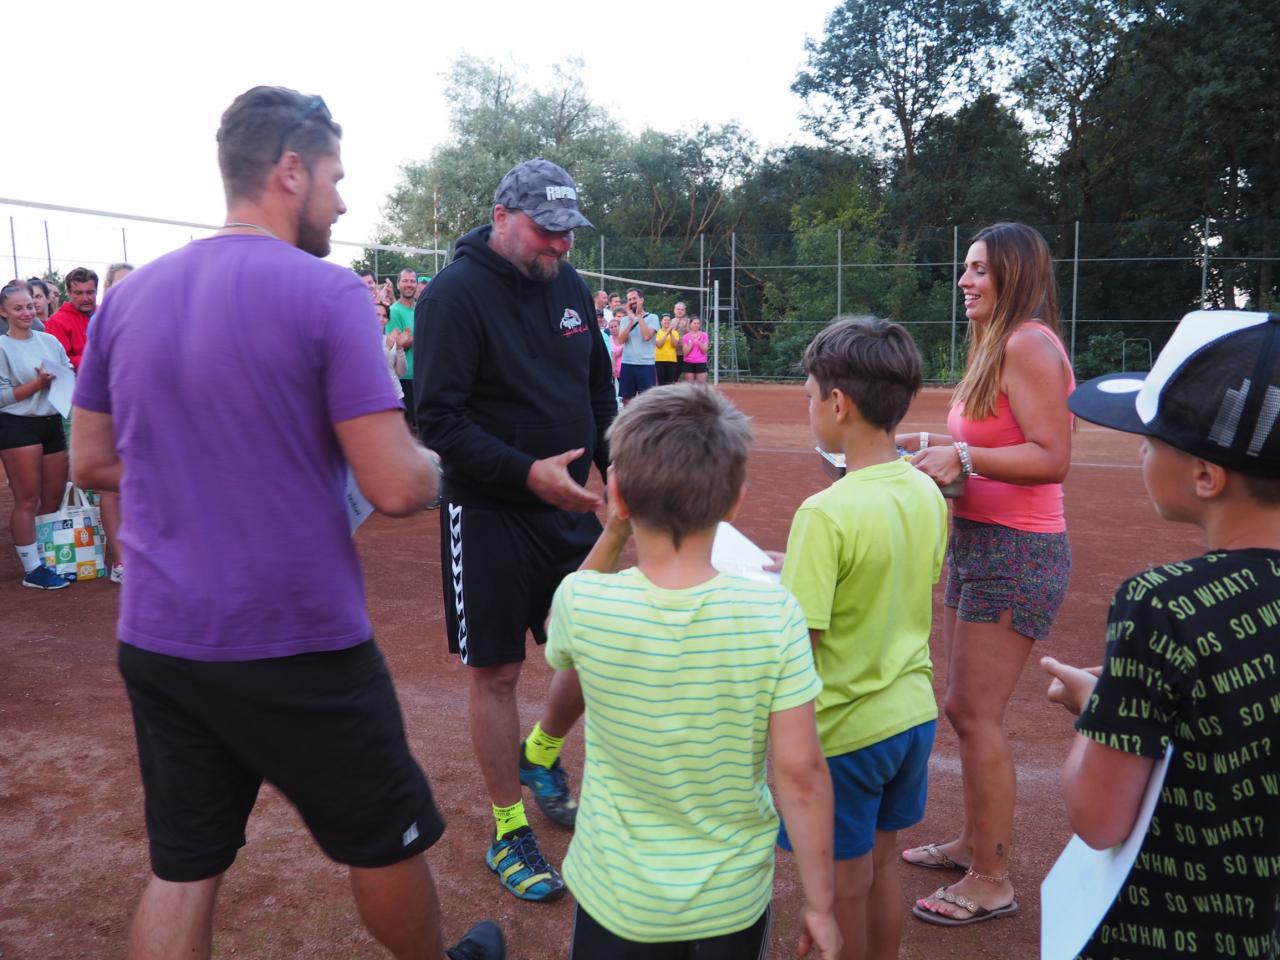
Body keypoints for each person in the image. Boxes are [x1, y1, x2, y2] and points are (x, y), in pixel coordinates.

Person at [69, 85, 502, 960]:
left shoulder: (130, 297)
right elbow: (394, 486)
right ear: (291, 171)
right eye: (336, 180)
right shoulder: (327, 293)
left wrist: (209, 468)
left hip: (160, 633)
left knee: (185, 867)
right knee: (385, 840)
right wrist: (432, 463)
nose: (341, 202)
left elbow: (91, 461)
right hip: (298, 637)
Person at [546, 382, 841, 960]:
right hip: (729, 901)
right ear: (735, 503)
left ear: (618, 494)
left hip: (617, 897)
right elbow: (801, 774)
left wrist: (615, 526)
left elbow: (562, 634)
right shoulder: (775, 614)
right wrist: (821, 905)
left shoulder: (582, 601)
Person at [1038, 309, 1280, 959]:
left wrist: (1102, 708)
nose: (1141, 452)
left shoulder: (1161, 605)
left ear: (1206, 475)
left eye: (1150, 440)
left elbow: (1099, 818)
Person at [415, 158, 616, 904]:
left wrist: (619, 462)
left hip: (569, 511)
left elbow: (597, 389)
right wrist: (527, 472)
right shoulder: (452, 297)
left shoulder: (570, 286)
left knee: (597, 647)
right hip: (489, 515)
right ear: (501, 217)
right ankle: (508, 829)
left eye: (569, 232)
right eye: (546, 230)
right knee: (497, 674)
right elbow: (438, 421)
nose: (560, 245)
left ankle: (543, 751)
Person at [900, 222, 1074, 924]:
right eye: (966, 268)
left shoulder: (1028, 344)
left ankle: (993, 877)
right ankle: (974, 842)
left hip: (1018, 552)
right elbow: (986, 441)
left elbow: (1052, 456)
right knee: (962, 708)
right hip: (978, 543)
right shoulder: (996, 345)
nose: (965, 280)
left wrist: (964, 458)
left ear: (1013, 275)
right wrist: (924, 446)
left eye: (979, 269)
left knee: (976, 713)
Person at [772, 317, 949, 958]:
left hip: (845, 733)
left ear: (838, 404)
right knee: (881, 867)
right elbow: (894, 579)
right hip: (910, 718)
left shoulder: (825, 511)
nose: (809, 408)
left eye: (810, 396)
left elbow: (802, 643)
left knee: (842, 888)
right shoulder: (927, 490)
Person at [0, 281, 73, 590]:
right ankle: (32, 569)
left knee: (53, 496)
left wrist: (64, 379)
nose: (27, 312)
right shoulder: (2, 347)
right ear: (4, 312)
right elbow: (2, 397)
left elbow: (68, 372)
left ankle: (47, 556)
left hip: (51, 421)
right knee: (27, 498)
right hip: (17, 425)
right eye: (18, 308)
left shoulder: (49, 340)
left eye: (30, 306)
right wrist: (38, 384)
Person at [98, 262, 133, 585]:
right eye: (120, 283)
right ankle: (120, 561)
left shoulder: (150, 318)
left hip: (142, 413)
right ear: (108, 288)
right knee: (111, 487)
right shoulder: (101, 322)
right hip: (110, 412)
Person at [45, 266, 98, 372]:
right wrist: (96, 361)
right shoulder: (57, 322)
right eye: (78, 293)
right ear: (69, 293)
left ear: (96, 291)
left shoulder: (106, 315)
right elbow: (58, 361)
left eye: (90, 292)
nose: (85, 298)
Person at [616, 287, 657, 403]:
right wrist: (630, 320)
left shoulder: (653, 317)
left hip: (646, 364)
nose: (632, 301)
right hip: (628, 363)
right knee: (627, 399)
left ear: (641, 300)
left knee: (647, 400)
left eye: (634, 298)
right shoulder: (624, 320)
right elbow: (620, 340)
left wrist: (639, 315)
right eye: (629, 299)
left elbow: (647, 336)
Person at [387, 269, 417, 426]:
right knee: (409, 428)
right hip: (404, 378)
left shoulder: (421, 308)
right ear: (398, 284)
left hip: (422, 376)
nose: (409, 284)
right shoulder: (394, 311)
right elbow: (395, 346)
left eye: (412, 281)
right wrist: (423, 337)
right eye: (405, 281)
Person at [681, 315, 709, 383]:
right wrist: (691, 343)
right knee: (690, 386)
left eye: (698, 323)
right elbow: (685, 353)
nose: (696, 325)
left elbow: (705, 351)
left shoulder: (704, 335)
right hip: (688, 362)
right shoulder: (685, 337)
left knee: (701, 386)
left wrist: (700, 342)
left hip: (701, 362)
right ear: (690, 324)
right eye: (694, 323)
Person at [653, 313, 678, 385]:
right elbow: (659, 345)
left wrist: (671, 333)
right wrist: (667, 333)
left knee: (669, 383)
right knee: (661, 382)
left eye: (669, 320)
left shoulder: (675, 333)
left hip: (671, 360)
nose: (667, 321)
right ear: (661, 322)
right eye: (665, 320)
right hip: (659, 360)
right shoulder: (657, 332)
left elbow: (674, 344)